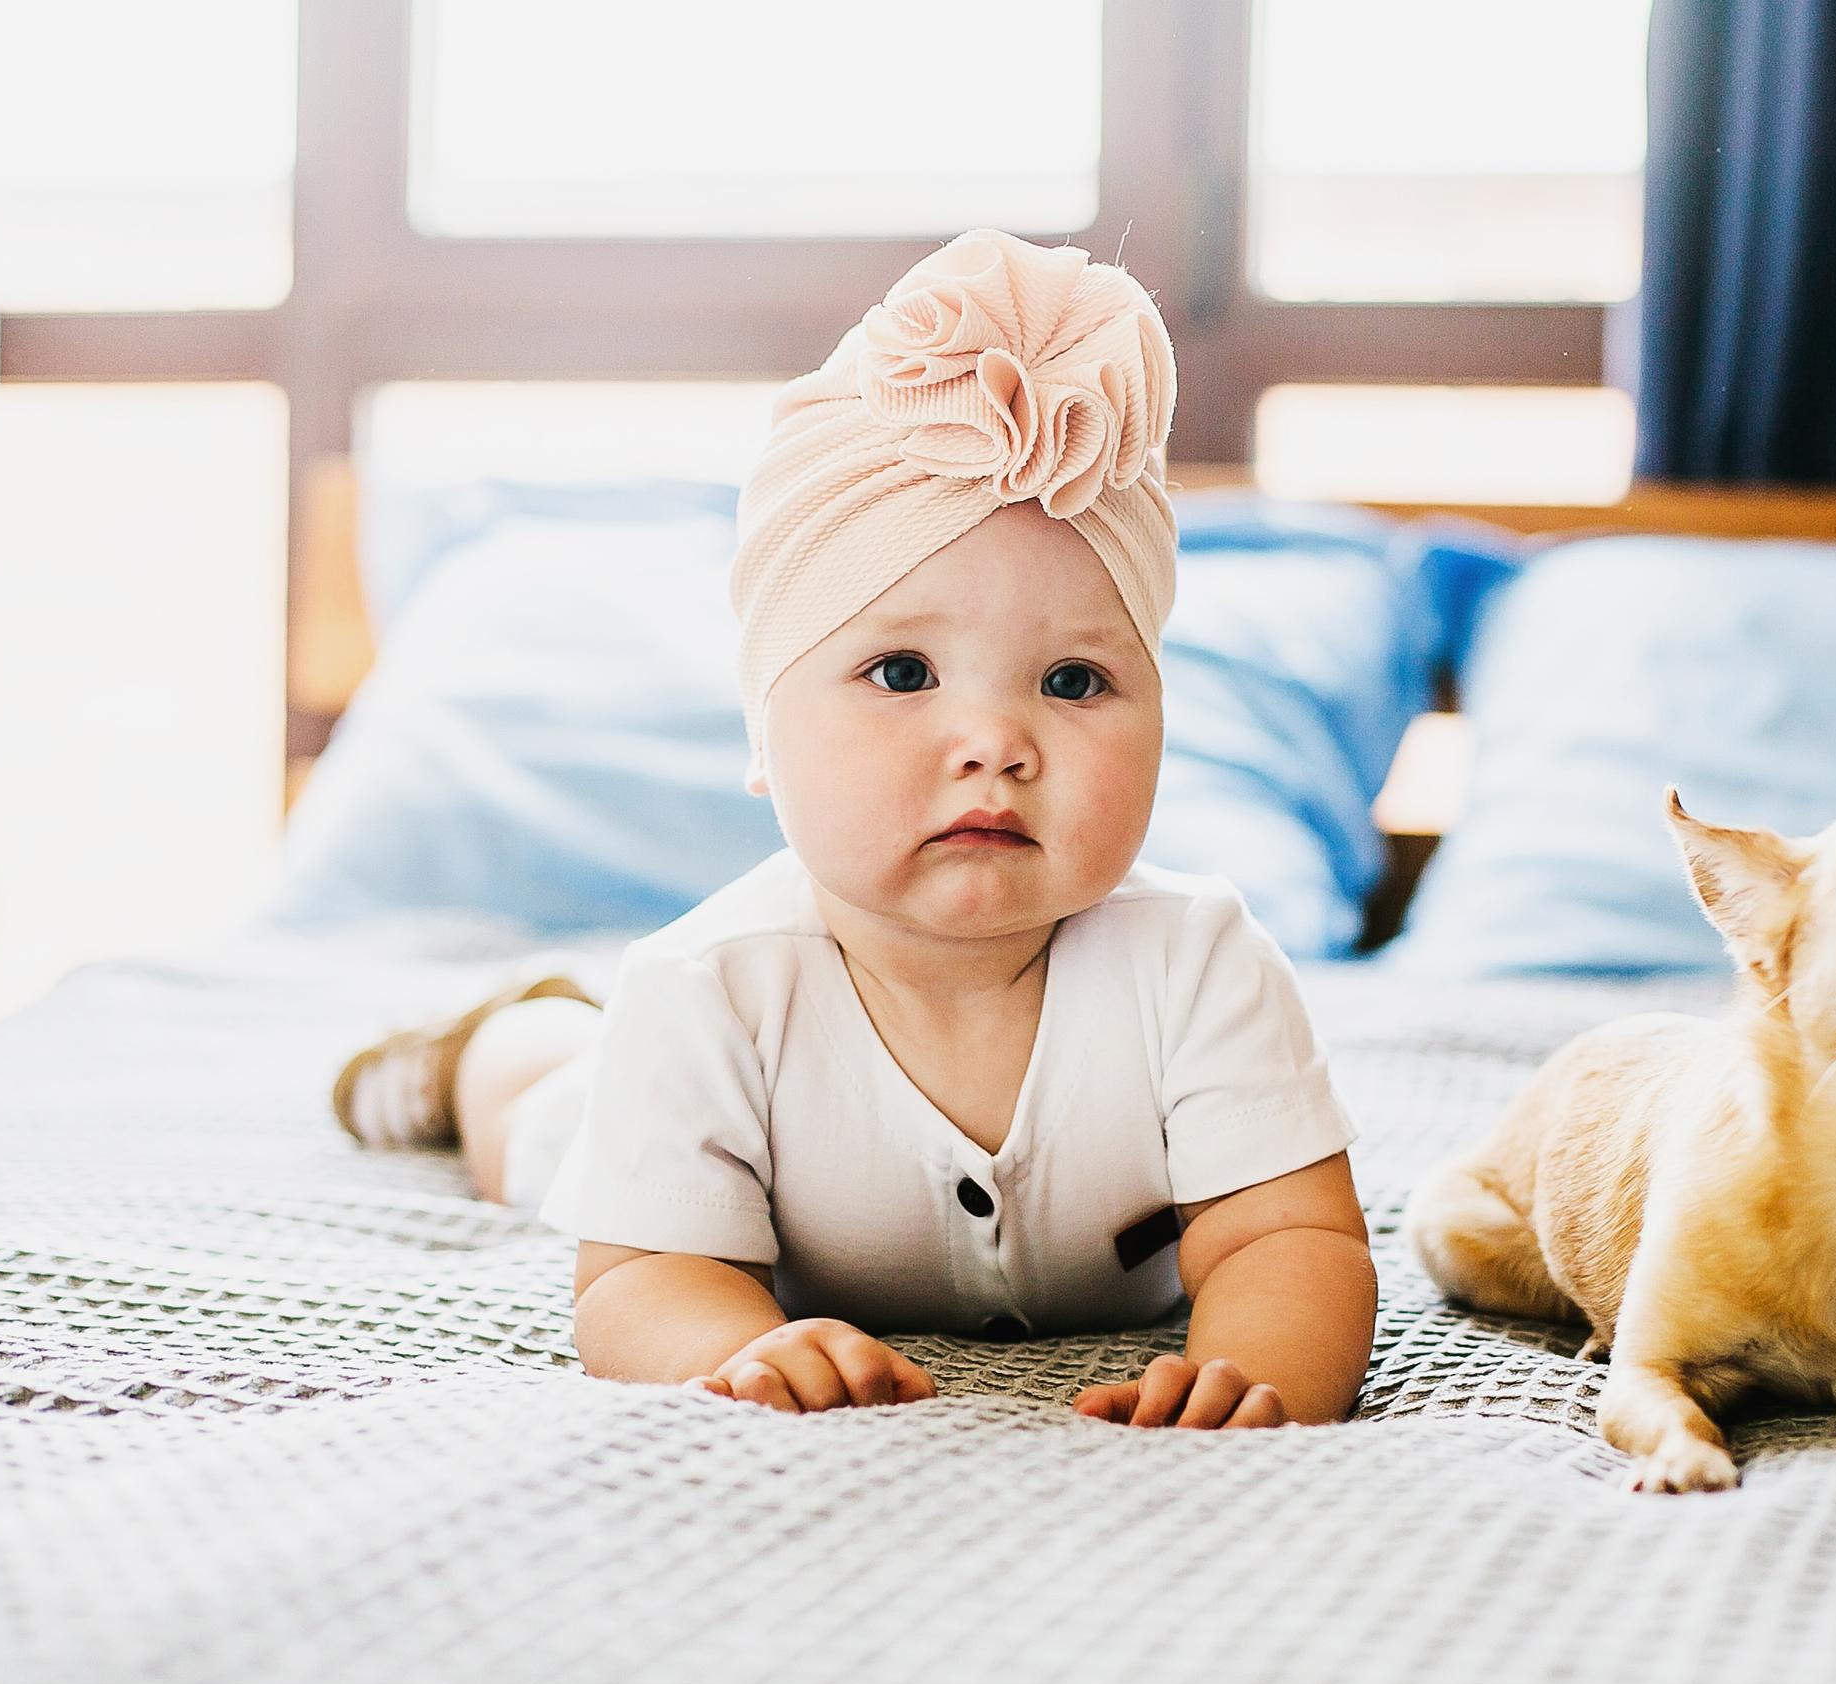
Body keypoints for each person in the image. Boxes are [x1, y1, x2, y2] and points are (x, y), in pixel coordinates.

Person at [330, 229, 1377, 1430]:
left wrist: (1256, 1374)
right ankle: (490, 1045)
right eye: (902, 672)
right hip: (622, 1105)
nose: (994, 744)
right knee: (543, 1115)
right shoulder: (706, 991)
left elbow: (1290, 1238)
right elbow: (638, 1278)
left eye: (1073, 682)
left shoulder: (1201, 964)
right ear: (764, 731)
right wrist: (742, 1349)